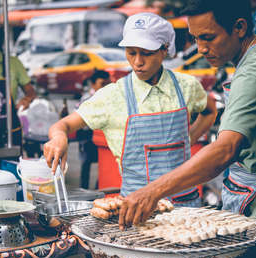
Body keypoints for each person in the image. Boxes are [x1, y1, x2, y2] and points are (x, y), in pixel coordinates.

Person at [119, 0, 256, 249]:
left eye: (208, 38)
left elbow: (224, 150)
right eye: (195, 38)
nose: (200, 48)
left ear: (239, 27)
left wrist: (153, 191)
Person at [44, 12, 216, 207]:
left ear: (164, 50)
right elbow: (63, 125)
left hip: (187, 205)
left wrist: (189, 139)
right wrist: (59, 137)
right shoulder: (113, 96)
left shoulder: (187, 86)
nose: (137, 62)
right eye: (131, 52)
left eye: (146, 53)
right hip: (138, 209)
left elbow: (210, 111)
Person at [77, 70, 111, 189]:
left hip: (103, 135)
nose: (106, 87)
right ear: (93, 84)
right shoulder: (87, 99)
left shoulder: (110, 97)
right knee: (86, 163)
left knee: (104, 163)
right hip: (87, 136)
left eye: (108, 84)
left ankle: (98, 187)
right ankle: (84, 190)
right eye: (102, 84)